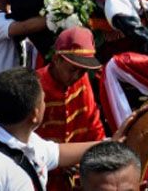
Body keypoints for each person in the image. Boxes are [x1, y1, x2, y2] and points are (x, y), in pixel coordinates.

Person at [0, 68, 99, 190]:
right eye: (43, 100)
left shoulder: (29, 141)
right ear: (35, 114)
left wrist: (107, 145)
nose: (45, 104)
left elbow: (59, 153)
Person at [37, 27, 106, 189]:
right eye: (73, 69)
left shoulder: (82, 80)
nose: (76, 76)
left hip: (81, 173)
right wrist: (61, 161)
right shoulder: (36, 85)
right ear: (56, 59)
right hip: (44, 176)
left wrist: (99, 158)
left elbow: (93, 123)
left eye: (82, 71)